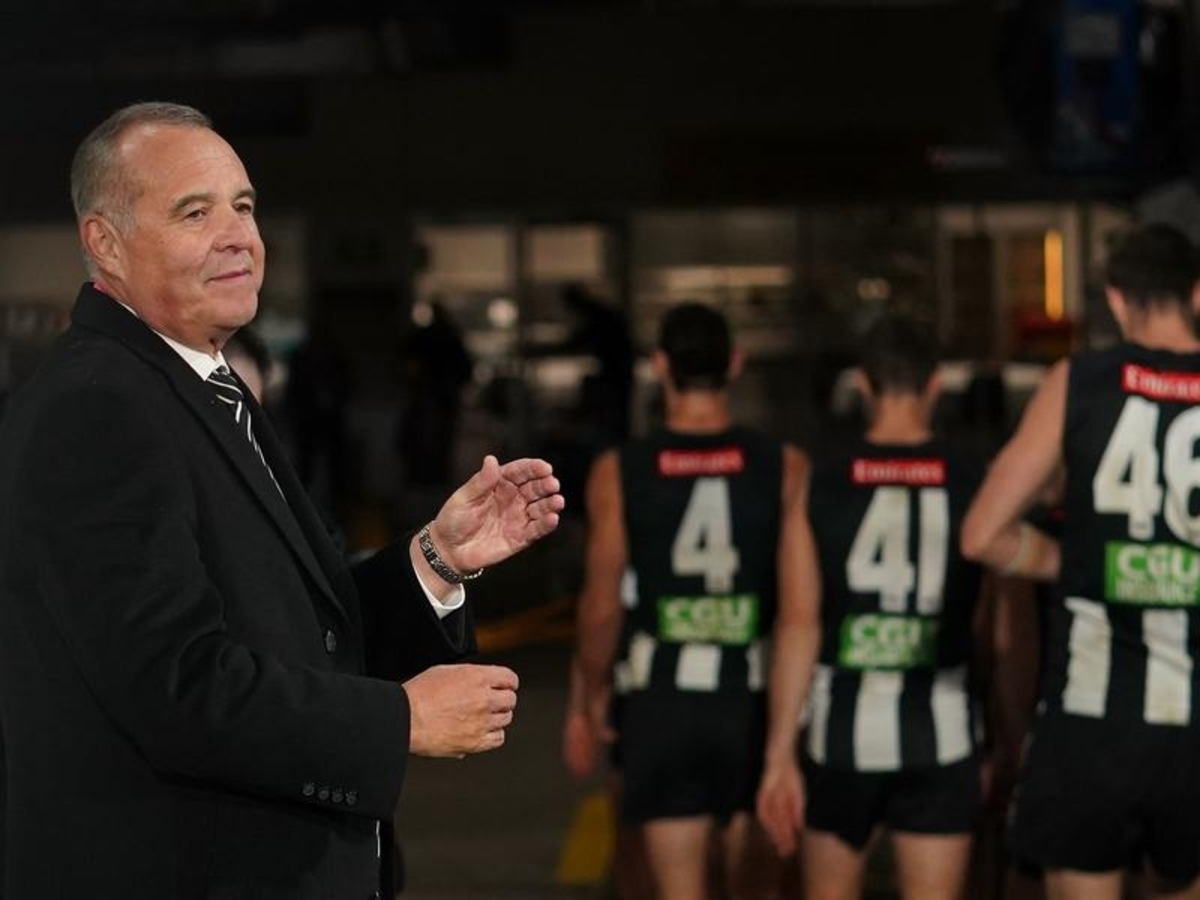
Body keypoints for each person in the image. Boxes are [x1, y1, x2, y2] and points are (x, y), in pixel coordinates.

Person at [0, 101, 564, 900]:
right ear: (106, 243)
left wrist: (435, 558)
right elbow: (175, 685)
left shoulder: (201, 384)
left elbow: (294, 629)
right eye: (195, 212)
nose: (238, 235)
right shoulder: (98, 408)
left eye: (244, 206)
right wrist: (400, 720)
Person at [961, 222, 1200, 900]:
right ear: (1197, 294)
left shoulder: (1079, 382)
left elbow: (982, 535)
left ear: (1116, 300)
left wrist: (1069, 561)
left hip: (1092, 724)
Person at [757, 313, 1000, 900]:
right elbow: (998, 627)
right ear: (935, 385)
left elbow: (797, 625)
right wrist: (1006, 735)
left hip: (841, 735)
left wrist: (779, 755)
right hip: (943, 731)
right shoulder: (977, 479)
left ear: (862, 385)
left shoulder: (820, 480)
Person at [567, 302, 805, 900]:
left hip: (660, 702)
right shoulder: (785, 467)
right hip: (752, 699)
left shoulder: (619, 470)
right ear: (735, 364)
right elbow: (802, 608)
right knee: (756, 885)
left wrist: (590, 691)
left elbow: (601, 606)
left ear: (660, 365)